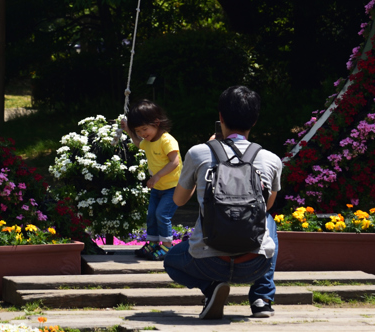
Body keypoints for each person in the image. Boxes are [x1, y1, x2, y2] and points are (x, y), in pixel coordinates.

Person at [165, 85, 282, 320]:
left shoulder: (198, 153)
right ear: (255, 120)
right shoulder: (271, 159)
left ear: (220, 117)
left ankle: (211, 288)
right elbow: (267, 206)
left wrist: (203, 174)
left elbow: (178, 200)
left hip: (207, 262)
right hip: (255, 265)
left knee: (171, 261)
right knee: (268, 219)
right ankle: (261, 297)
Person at [120, 100, 182, 261]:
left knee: (162, 214)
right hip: (158, 188)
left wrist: (157, 176)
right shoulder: (148, 141)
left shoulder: (167, 140)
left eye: (144, 129)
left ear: (156, 122)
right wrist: (128, 130)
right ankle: (154, 243)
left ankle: (168, 247)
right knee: (152, 215)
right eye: (138, 130)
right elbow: (138, 143)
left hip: (172, 187)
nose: (142, 133)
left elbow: (175, 162)